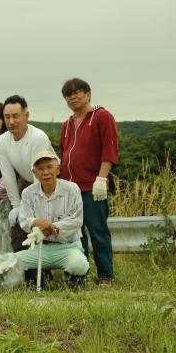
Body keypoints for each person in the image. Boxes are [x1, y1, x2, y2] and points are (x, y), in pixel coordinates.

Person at [60, 78, 119, 287]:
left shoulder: (101, 116)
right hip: (70, 188)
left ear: (88, 94)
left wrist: (101, 178)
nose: (73, 97)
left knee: (98, 232)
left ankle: (105, 276)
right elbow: (64, 154)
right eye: (68, 95)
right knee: (76, 234)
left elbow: (109, 151)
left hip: (92, 186)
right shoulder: (66, 125)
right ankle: (80, 274)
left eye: (77, 92)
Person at [15, 151, 89, 289]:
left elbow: (77, 220)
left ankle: (74, 280)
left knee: (79, 265)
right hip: (40, 248)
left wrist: (51, 226)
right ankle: (41, 275)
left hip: (68, 246)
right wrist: (37, 222)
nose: (46, 172)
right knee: (14, 262)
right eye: (40, 169)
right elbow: (24, 220)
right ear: (34, 173)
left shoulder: (72, 189)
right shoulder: (28, 192)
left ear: (58, 169)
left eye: (49, 167)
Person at [0, 95, 54, 252]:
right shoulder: (1, 141)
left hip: (49, 183)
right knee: (18, 225)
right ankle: (25, 268)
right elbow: (8, 175)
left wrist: (35, 210)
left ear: (26, 116)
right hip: (27, 181)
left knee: (42, 224)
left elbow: (40, 175)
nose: (11, 122)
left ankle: (48, 267)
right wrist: (16, 205)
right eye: (7, 117)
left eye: (16, 116)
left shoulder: (38, 138)